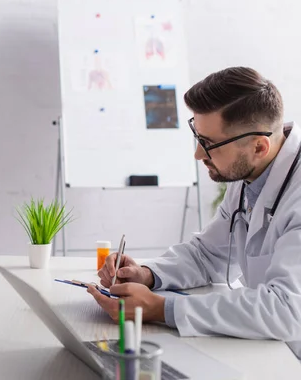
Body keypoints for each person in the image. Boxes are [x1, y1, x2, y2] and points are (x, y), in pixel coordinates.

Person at [89, 67, 301, 359]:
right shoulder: (251, 174)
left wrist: (161, 309)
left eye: (209, 144)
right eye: (198, 138)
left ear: (259, 147)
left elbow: (286, 309)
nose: (198, 155)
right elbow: (208, 255)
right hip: (269, 349)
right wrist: (147, 275)